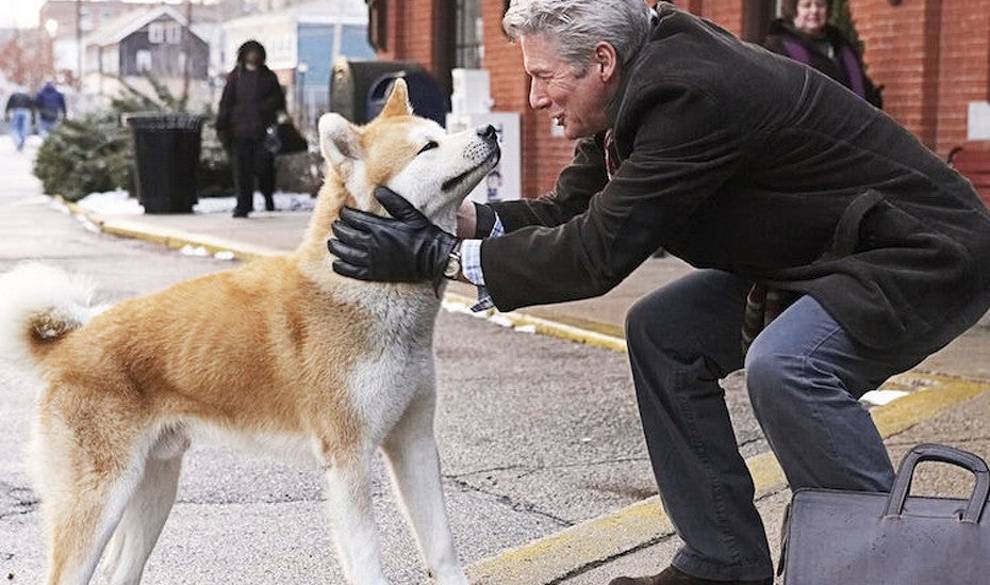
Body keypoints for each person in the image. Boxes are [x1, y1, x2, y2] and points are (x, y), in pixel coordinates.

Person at [328, 2, 990, 584]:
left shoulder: (688, 95)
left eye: (542, 76)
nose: (534, 98)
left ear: (603, 61)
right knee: (662, 331)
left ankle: (887, 564)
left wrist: (439, 257)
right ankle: (723, 559)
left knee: (790, 365)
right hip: (826, 253)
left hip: (919, 250)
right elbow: (571, 214)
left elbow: (598, 253)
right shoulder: (636, 89)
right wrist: (456, 222)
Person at [764, 0, 882, 108]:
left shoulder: (841, 45)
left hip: (852, 124)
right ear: (793, 9)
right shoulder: (778, 47)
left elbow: (863, 87)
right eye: (807, 5)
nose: (814, 10)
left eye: (820, 5)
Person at [216, 40, 286, 218]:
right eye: (250, 52)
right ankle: (243, 206)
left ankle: (268, 197)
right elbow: (226, 102)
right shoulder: (235, 77)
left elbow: (279, 101)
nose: (253, 56)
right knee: (241, 171)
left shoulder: (268, 77)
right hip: (239, 132)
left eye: (256, 53)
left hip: (262, 132)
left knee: (264, 168)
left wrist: (265, 110)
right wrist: (222, 124)